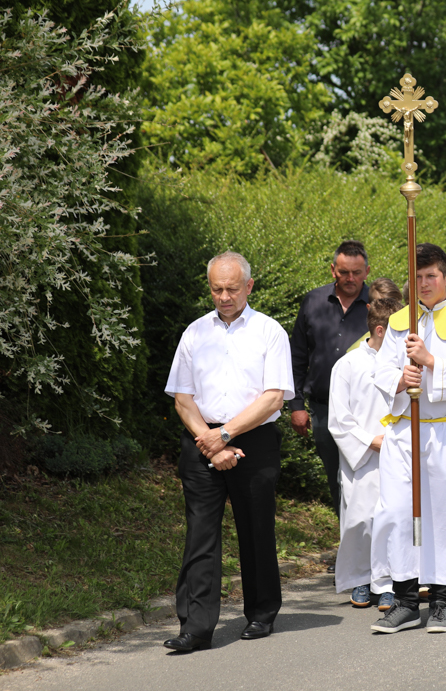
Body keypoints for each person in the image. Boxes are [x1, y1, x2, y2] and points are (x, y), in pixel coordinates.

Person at [163, 252, 294, 651]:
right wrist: (209, 438)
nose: (224, 296)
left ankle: (260, 613)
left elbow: (273, 399)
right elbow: (182, 397)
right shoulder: (195, 333)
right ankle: (196, 627)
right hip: (201, 439)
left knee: (256, 529)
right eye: (217, 289)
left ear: (249, 287)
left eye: (232, 289)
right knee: (200, 534)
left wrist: (227, 435)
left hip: (252, 439)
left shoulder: (270, 332)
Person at [370, 243, 446, 635]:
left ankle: (441, 602)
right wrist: (398, 379)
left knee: (444, 517)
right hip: (404, 431)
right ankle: (406, 601)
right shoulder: (399, 321)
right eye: (417, 277)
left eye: (430, 277)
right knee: (396, 515)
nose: (423, 284)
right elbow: (380, 369)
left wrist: (431, 364)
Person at [328, 297, 402, 611]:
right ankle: (362, 577)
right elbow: (339, 418)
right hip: (362, 455)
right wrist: (369, 441)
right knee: (361, 519)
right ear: (382, 330)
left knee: (394, 518)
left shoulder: (404, 363)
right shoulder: (347, 365)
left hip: (399, 451)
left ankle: (388, 583)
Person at [288, 240, 373, 511]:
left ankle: (370, 544)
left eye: (357, 272)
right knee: (335, 477)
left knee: (365, 477)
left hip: (366, 411)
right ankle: (346, 541)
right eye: (344, 271)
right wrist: (296, 405)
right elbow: (297, 356)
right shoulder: (313, 301)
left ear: (367, 271)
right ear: (332, 269)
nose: (350, 278)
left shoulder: (379, 306)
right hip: (324, 409)